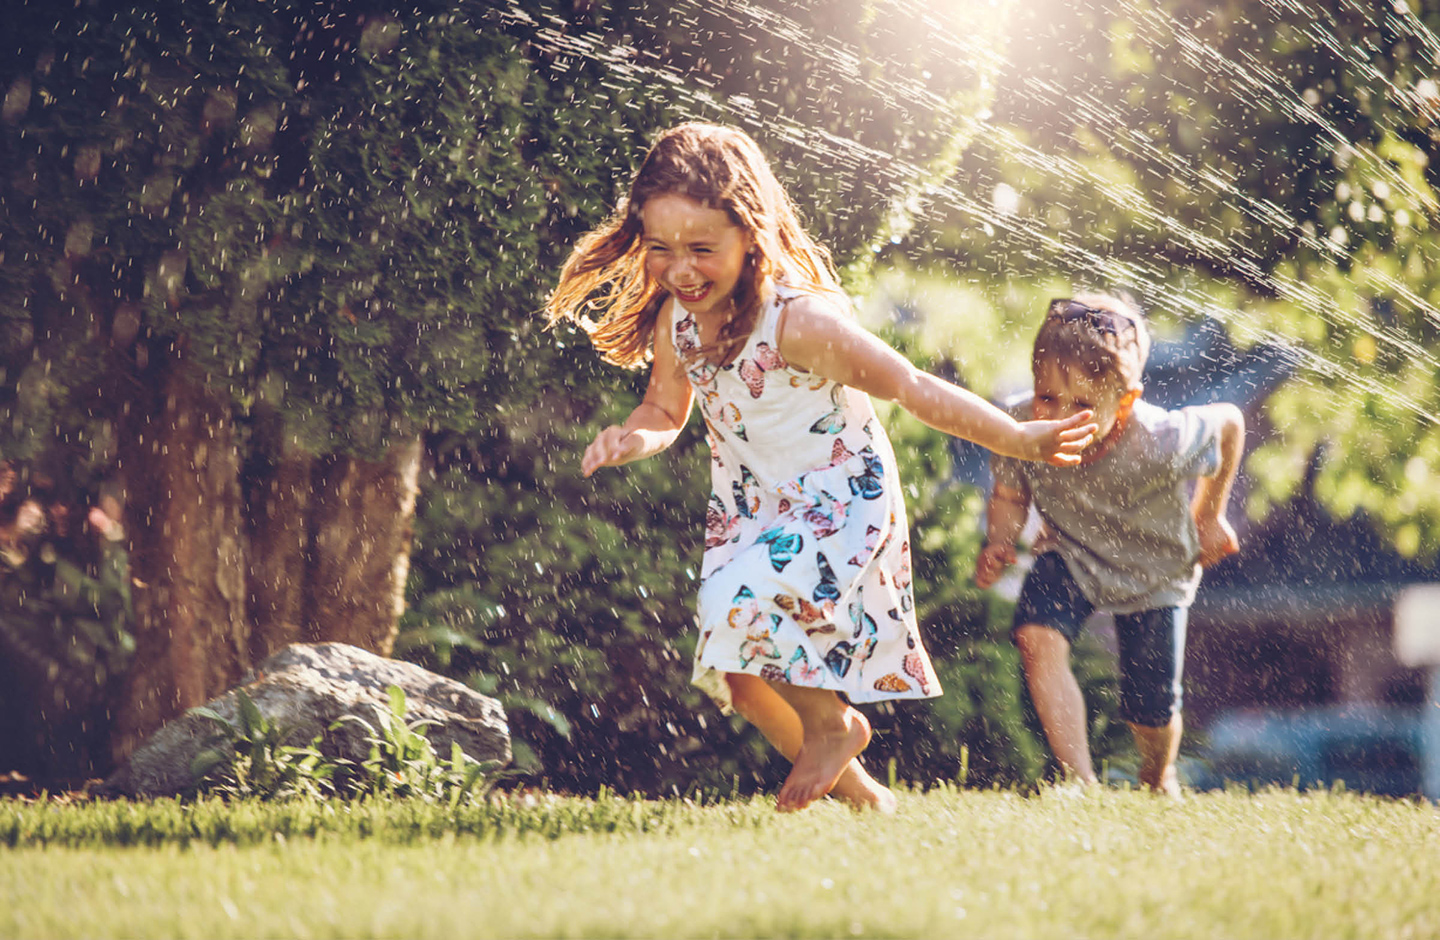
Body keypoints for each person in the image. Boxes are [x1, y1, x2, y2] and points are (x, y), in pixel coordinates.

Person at [546, 122, 1097, 812]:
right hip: (755, 509)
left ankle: (834, 725)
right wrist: (633, 437)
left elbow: (911, 386)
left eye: (701, 249)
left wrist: (1017, 438)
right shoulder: (678, 323)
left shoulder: (798, 322)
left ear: (750, 234)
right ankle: (867, 800)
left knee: (734, 608)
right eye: (660, 249)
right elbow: (664, 408)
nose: (680, 269)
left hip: (838, 499)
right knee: (740, 678)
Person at [975, 293, 1245, 796]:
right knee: (1036, 637)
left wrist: (1210, 516)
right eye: (1047, 396)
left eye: (1081, 405)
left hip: (1155, 571)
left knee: (1149, 707)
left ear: (1124, 403)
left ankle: (1157, 775)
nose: (1058, 415)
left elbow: (1230, 421)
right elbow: (1011, 492)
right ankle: (1078, 782)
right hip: (1070, 553)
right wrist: (1000, 538)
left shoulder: (1164, 437)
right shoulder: (1021, 428)